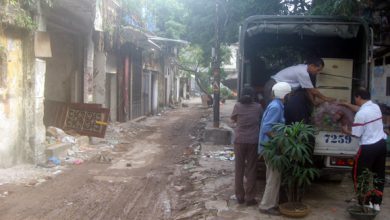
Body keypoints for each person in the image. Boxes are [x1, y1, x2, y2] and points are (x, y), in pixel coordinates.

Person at [341, 88, 387, 212]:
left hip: (368, 147)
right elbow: (360, 109)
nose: (355, 100)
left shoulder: (361, 115)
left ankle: (365, 202)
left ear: (358, 97)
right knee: (378, 174)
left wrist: (346, 131)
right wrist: (346, 105)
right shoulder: (375, 107)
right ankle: (376, 202)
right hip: (381, 144)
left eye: (355, 98)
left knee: (358, 175)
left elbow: (356, 134)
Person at [258, 82, 291, 215]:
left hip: (271, 147)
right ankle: (266, 206)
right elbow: (267, 128)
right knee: (273, 177)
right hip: (270, 148)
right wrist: (280, 140)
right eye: (289, 94)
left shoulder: (277, 105)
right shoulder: (276, 107)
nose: (290, 96)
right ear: (284, 94)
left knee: (273, 177)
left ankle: (272, 203)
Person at [231, 86, 264, 206]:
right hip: (253, 141)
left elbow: (233, 118)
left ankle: (240, 196)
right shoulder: (258, 107)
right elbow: (262, 119)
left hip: (239, 140)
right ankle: (250, 198)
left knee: (239, 168)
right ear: (253, 95)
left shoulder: (237, 106)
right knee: (251, 169)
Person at [263, 57, 335, 106]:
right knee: (272, 110)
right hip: (273, 87)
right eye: (317, 70)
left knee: (276, 110)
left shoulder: (304, 69)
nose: (317, 72)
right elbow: (312, 90)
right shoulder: (303, 72)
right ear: (312, 66)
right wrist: (326, 98)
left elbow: (308, 89)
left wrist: (313, 102)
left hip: (276, 88)